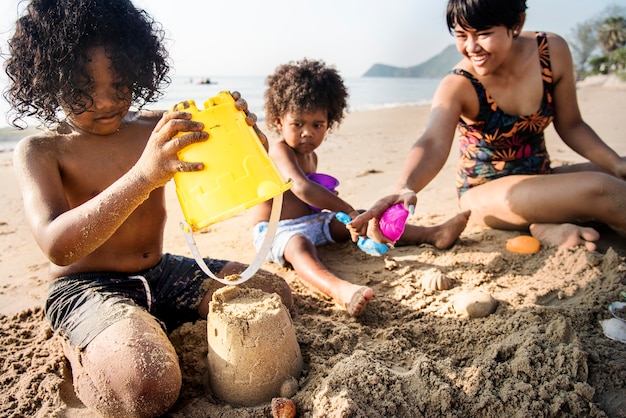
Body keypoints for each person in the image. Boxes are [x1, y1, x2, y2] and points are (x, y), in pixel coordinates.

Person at [4, 1, 292, 417]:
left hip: (161, 272)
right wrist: (144, 175)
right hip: (86, 287)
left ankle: (143, 325)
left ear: (139, 69)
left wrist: (243, 136)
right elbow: (58, 246)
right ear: (48, 80)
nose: (105, 101)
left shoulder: (154, 127)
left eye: (119, 84)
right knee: (147, 385)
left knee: (273, 295)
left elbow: (235, 171)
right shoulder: (42, 150)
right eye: (83, 89)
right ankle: (82, 349)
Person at [350, 0, 626, 252]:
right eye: (461, 35)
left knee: (619, 175)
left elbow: (572, 125)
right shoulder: (458, 84)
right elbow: (432, 141)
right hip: (485, 193)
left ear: (516, 24)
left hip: (542, 176)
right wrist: (404, 186)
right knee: (602, 188)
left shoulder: (551, 52)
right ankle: (547, 223)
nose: (471, 47)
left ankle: (546, 224)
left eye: (483, 33)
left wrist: (616, 164)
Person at [251, 59, 469, 317]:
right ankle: (340, 290)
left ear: (329, 124)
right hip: (277, 231)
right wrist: (346, 208)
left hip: (313, 221)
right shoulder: (279, 151)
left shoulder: (311, 156)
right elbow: (301, 187)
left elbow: (310, 198)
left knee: (368, 216)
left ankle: (431, 234)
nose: (307, 133)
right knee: (300, 246)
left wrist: (345, 211)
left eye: (316, 125)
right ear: (278, 121)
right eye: (297, 124)